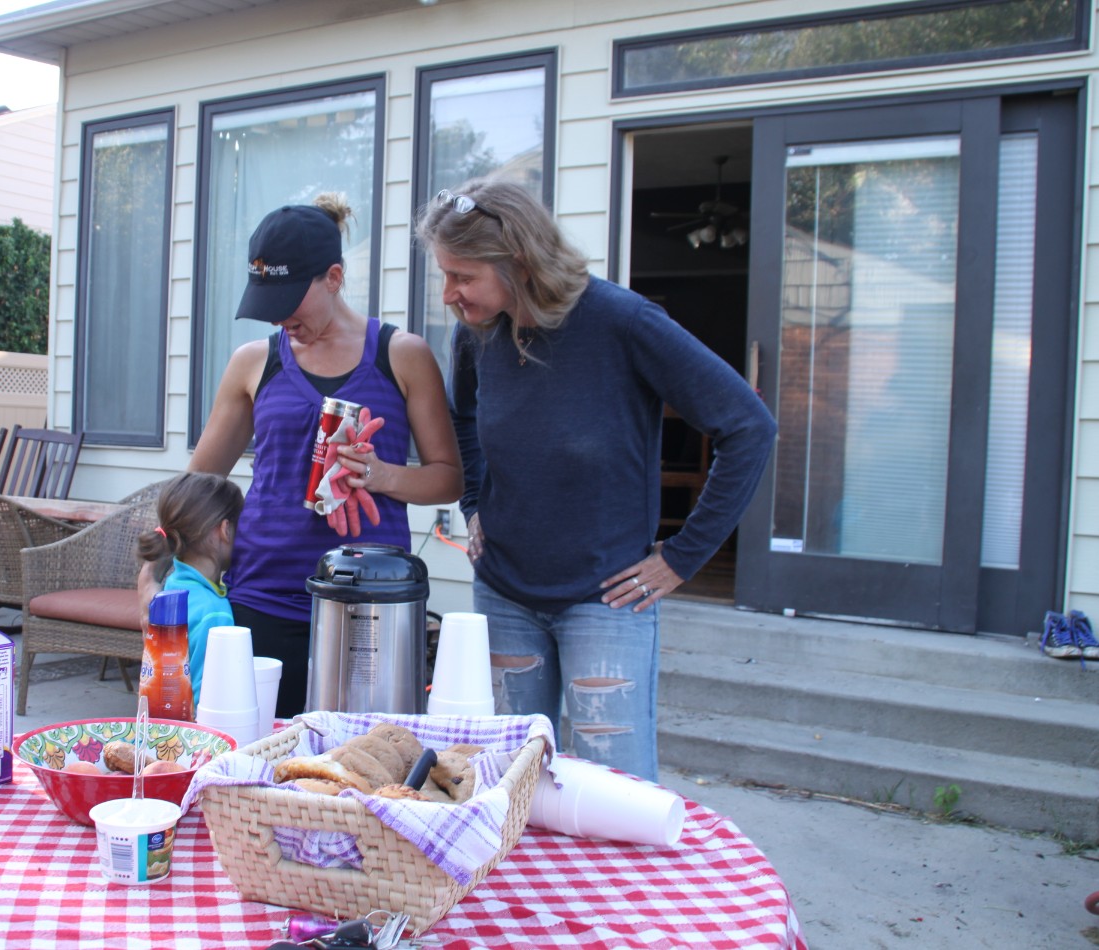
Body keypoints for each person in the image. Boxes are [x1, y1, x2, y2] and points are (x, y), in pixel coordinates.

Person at [416, 177, 777, 781]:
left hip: (606, 600)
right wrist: (474, 503)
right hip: (504, 592)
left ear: (519, 262)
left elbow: (749, 426)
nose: (449, 293)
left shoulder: (623, 321)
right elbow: (465, 417)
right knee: (509, 783)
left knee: (615, 790)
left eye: (462, 276)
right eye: (444, 275)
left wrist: (683, 556)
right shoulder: (477, 332)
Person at [191, 193, 463, 718]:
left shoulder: (401, 355)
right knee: (259, 748)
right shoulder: (253, 362)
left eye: (290, 299)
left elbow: (448, 478)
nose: (279, 318)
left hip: (372, 601)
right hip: (262, 594)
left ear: (334, 278)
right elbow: (199, 482)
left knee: (363, 755)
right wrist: (163, 565)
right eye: (267, 302)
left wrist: (381, 475)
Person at [135, 471, 245, 708]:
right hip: (193, 728)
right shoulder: (214, 612)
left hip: (160, 722)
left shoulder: (170, 588)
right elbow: (209, 699)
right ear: (225, 529)